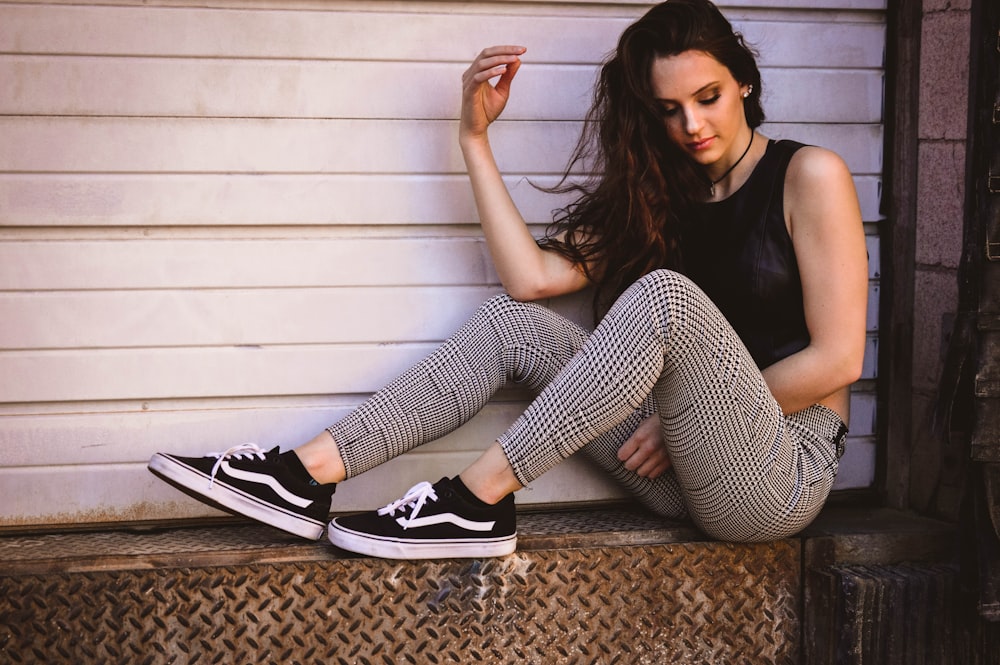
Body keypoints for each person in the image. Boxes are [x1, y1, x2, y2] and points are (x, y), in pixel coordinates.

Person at [148, 0, 868, 560]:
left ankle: (474, 498)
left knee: (665, 299)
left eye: (708, 96)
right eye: (669, 109)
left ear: (744, 78)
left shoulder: (809, 175)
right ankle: (303, 474)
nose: (692, 124)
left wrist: (676, 416)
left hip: (778, 473)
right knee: (509, 324)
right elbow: (530, 279)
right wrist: (474, 138)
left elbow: (839, 359)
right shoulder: (661, 194)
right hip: (678, 470)